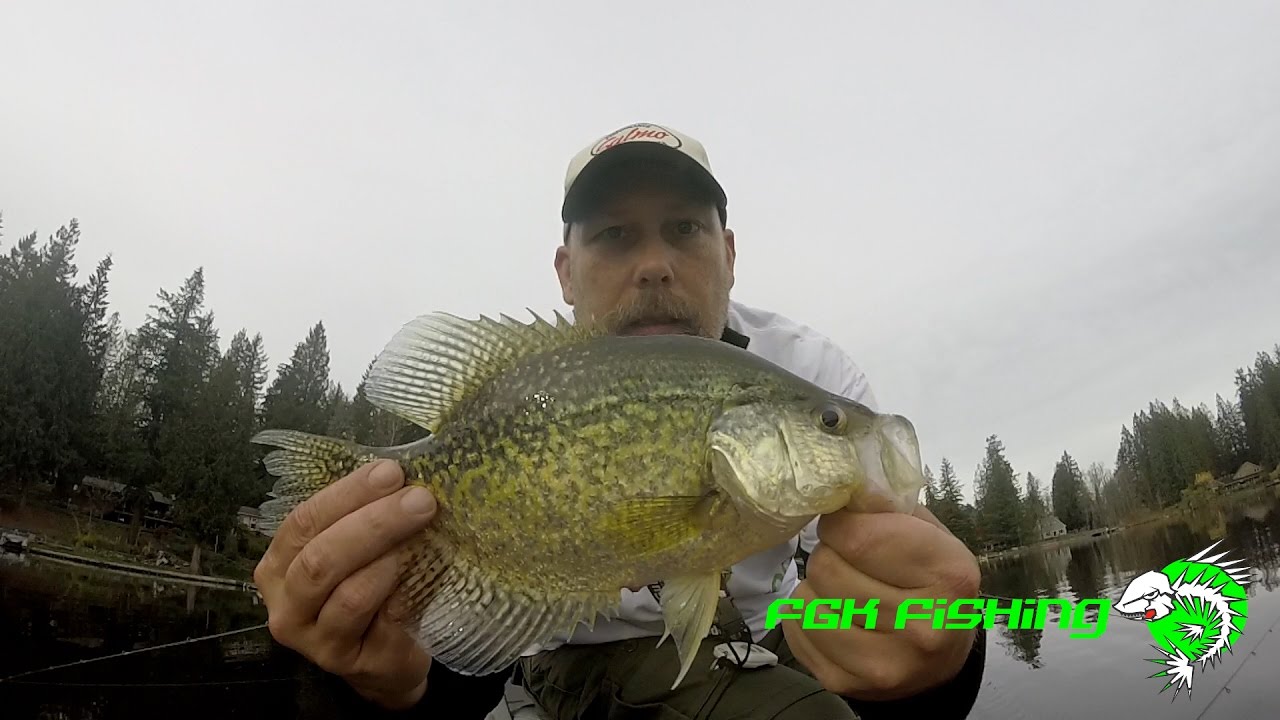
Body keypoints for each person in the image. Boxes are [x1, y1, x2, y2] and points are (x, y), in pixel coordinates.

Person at [255, 122, 986, 720]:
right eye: (613, 235)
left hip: (765, 645)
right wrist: (369, 684)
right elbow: (453, 658)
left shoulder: (809, 375)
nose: (655, 266)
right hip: (551, 658)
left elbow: (893, 595)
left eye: (685, 229)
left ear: (728, 255)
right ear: (565, 272)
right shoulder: (519, 383)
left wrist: (940, 661)